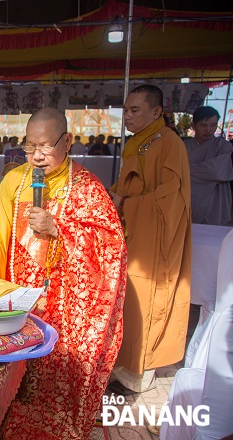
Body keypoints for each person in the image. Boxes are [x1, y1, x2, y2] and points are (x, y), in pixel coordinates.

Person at [0, 107, 126, 439]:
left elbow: (110, 245)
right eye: (30, 147)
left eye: (45, 146)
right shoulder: (14, 182)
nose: (37, 156)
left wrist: (59, 227)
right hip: (20, 300)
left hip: (67, 307)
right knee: (16, 374)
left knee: (59, 371)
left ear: (68, 141)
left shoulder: (87, 188)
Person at [109, 84, 191, 394]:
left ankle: (140, 372)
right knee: (127, 296)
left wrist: (126, 203)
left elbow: (169, 198)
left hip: (155, 236)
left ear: (156, 112)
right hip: (135, 230)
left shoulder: (168, 143)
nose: (127, 116)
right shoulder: (140, 142)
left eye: (134, 110)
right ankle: (123, 363)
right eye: (126, 110)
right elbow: (129, 182)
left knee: (147, 298)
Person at [184, 106, 233, 225]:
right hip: (187, 200)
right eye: (203, 125)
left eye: (213, 125)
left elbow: (216, 172)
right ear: (193, 126)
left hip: (215, 202)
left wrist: (187, 171)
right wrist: (206, 177)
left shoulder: (223, 146)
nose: (209, 130)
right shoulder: (183, 146)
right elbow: (175, 172)